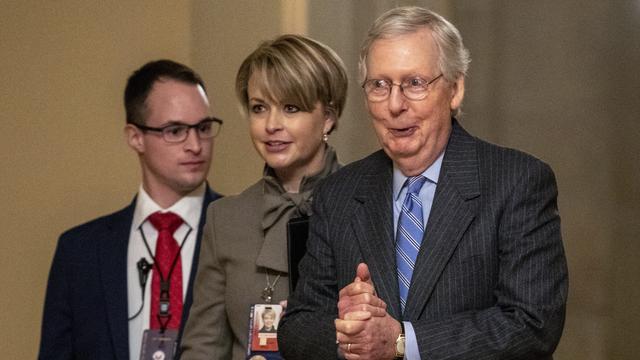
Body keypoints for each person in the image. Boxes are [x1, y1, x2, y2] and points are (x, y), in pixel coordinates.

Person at [278, 6, 568, 360]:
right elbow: (298, 327)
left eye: (414, 83)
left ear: (455, 89)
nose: (395, 105)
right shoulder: (339, 193)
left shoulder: (517, 182)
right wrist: (351, 333)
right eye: (379, 85)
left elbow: (532, 325)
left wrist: (403, 342)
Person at [39, 60, 223, 359]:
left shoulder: (242, 233)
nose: (195, 144)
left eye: (203, 128)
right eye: (175, 130)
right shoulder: (80, 252)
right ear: (135, 137)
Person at [179, 34, 348, 359]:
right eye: (259, 108)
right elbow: (202, 348)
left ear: (327, 117)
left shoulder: (369, 204)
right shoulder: (224, 218)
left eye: (290, 108)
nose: (271, 125)